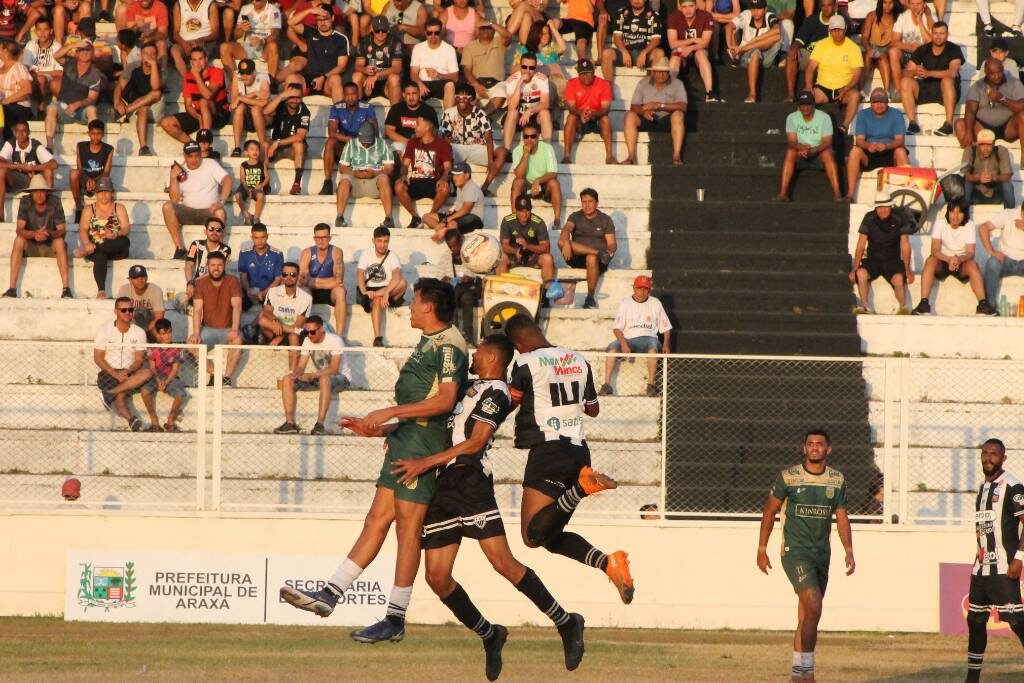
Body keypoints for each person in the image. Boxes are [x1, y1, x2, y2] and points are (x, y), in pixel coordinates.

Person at [279, 279, 468, 646]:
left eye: (415, 301)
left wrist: (391, 412)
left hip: (423, 445)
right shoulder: (431, 341)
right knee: (376, 519)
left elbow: (445, 401)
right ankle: (330, 594)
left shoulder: (449, 346)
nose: (410, 307)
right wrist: (385, 429)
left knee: (407, 530)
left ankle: (395, 616)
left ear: (429, 307)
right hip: (407, 439)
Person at [389, 334, 586, 680]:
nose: (474, 355)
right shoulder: (466, 387)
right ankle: (490, 634)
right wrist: (383, 428)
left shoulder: (496, 392)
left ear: (493, 358)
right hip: (442, 485)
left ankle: (566, 622)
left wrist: (424, 463)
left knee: (503, 564)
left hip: (470, 482)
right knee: (436, 577)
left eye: (479, 351)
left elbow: (476, 441)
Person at [502, 313, 635, 604]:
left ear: (520, 343)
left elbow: (508, 402)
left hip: (548, 450)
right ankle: (608, 563)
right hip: (577, 451)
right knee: (550, 535)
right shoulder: (577, 359)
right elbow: (593, 409)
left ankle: (581, 489)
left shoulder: (525, 363)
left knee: (532, 535)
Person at [757, 430, 854, 683]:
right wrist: (761, 549)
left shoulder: (837, 479)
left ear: (828, 449)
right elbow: (769, 512)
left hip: (822, 554)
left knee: (807, 615)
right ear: (804, 448)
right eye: (810, 444)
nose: (814, 448)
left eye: (819, 444)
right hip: (795, 552)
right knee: (813, 604)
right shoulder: (788, 477)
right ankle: (807, 673)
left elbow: (842, 516)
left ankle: (796, 676)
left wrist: (849, 550)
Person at [962, 438, 1024, 683]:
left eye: (994, 454)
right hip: (981, 568)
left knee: (1017, 621)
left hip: (1003, 567)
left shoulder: (1013, 486)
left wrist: (1019, 558)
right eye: (985, 453)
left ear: (1003, 458)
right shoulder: (983, 487)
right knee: (976, 621)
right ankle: (972, 679)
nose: (988, 458)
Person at [911, 201, 996, 316]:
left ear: (964, 214)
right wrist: (949, 259)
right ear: (948, 212)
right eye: (952, 212)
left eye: (959, 212)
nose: (955, 216)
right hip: (943, 260)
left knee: (973, 264)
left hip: (961, 261)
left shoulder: (969, 224)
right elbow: (935, 250)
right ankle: (924, 304)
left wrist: (958, 259)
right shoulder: (940, 223)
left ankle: (982, 305)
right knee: (930, 260)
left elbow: (970, 253)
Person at [274, 314, 352, 435]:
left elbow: (334, 369)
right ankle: (290, 423)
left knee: (325, 379)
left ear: (321, 329)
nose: (309, 335)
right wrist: (296, 374)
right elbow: (301, 366)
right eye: (307, 332)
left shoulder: (335, 340)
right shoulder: (307, 340)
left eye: (312, 332)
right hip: (320, 378)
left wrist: (311, 375)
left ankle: (320, 425)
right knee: (287, 379)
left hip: (341, 378)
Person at [598, 275, 671, 396]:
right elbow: (617, 328)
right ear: (634, 288)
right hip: (628, 339)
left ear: (649, 290)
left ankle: (651, 385)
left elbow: (666, 328)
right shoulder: (625, 302)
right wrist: (624, 344)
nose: (642, 292)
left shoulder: (655, 302)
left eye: (645, 289)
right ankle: (607, 385)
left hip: (649, 338)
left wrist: (666, 344)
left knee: (653, 348)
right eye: (639, 288)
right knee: (611, 349)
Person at [2, 175, 69, 299]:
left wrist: (48, 232)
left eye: (42, 191)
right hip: (31, 244)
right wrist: (34, 234)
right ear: (31, 193)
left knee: (60, 242)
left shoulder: (55, 202)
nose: (39, 195)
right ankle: (12, 288)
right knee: (18, 240)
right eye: (36, 191)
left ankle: (66, 288)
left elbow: (62, 231)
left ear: (47, 192)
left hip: (50, 244)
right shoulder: (25, 201)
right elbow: (19, 229)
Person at [162, 141, 231, 260]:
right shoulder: (179, 169)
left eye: (197, 155)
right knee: (167, 206)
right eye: (190, 156)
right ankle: (180, 248)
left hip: (209, 212)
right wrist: (173, 178)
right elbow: (174, 199)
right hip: (188, 211)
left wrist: (221, 201)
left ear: (200, 154)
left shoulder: (210, 163)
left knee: (220, 212)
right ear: (184, 156)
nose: (194, 159)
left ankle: (217, 250)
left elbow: (227, 180)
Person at [93, 296, 152, 431]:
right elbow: (98, 358)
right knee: (121, 396)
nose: (128, 313)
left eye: (130, 310)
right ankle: (131, 419)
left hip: (129, 372)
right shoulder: (104, 329)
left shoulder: (139, 332)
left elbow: (138, 359)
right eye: (123, 310)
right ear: (116, 311)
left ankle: (110, 394)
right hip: (109, 373)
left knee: (147, 372)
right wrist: (115, 374)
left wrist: (127, 371)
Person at [849, 192, 913, 314]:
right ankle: (865, 306)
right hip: (873, 259)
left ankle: (903, 307)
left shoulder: (899, 218)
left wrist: (907, 269)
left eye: (885, 206)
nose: (882, 210)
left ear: (891, 207)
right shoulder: (869, 217)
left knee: (899, 279)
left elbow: (905, 245)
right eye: (879, 207)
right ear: (875, 208)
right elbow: (861, 244)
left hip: (892, 260)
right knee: (861, 273)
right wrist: (854, 268)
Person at [187, 251, 244, 386]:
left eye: (219, 265)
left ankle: (227, 378)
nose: (216, 268)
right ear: (207, 266)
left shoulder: (232, 281)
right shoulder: (200, 283)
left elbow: (237, 307)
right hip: (208, 329)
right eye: (213, 265)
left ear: (224, 265)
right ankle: (216, 374)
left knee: (238, 340)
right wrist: (196, 332)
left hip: (228, 328)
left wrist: (235, 329)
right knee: (191, 345)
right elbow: (197, 309)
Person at [441, 81, 506, 195]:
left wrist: (490, 161)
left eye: (466, 97)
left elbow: (488, 136)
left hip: (478, 147)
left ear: (472, 99)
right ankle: (452, 187)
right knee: (444, 149)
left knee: (502, 152)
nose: (462, 100)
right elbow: (443, 135)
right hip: (457, 147)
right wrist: (448, 144)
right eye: (458, 97)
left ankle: (485, 187)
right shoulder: (448, 113)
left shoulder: (480, 113)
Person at [776, 90, 841, 202]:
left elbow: (827, 142)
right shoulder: (792, 117)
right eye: (802, 105)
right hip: (800, 152)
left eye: (808, 105)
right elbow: (791, 141)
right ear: (798, 106)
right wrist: (800, 147)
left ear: (813, 104)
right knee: (790, 152)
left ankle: (837, 193)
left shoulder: (824, 117)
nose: (805, 108)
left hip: (818, 152)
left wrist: (813, 149)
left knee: (827, 153)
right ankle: (783, 193)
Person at [845, 89, 909, 200]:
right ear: (871, 103)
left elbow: (900, 140)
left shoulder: (896, 114)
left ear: (887, 103)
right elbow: (859, 140)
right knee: (855, 151)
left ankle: (904, 194)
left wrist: (886, 146)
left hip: (890, 151)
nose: (879, 105)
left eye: (882, 102)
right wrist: (868, 146)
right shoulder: (863, 114)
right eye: (875, 102)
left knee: (901, 151)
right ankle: (850, 194)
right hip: (870, 152)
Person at [899, 21, 961, 136]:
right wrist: (915, 71)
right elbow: (905, 73)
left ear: (947, 34)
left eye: (942, 33)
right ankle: (913, 124)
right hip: (926, 88)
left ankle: (948, 124)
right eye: (935, 33)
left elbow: (952, 73)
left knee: (947, 80)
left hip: (946, 91)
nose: (938, 36)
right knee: (905, 81)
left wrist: (928, 73)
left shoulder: (954, 49)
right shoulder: (922, 49)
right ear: (931, 34)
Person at [558, 188, 616, 309]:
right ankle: (597, 252)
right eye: (584, 202)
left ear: (597, 203)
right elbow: (567, 229)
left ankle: (590, 298)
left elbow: (612, 243)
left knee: (591, 257)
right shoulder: (575, 216)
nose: (587, 205)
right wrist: (566, 241)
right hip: (576, 257)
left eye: (590, 201)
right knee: (561, 242)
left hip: (599, 261)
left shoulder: (605, 219)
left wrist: (610, 251)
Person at [622, 57, 687, 165]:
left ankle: (676, 156)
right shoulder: (643, 83)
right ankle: (630, 156)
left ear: (668, 72)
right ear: (652, 72)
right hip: (647, 117)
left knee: (678, 114)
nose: (661, 75)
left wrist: (660, 105)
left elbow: (683, 106)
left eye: (664, 72)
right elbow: (634, 106)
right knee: (629, 116)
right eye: (658, 71)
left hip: (668, 118)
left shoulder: (677, 83)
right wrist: (643, 112)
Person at [956, 59, 1024, 161]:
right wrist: (969, 131)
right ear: (986, 73)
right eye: (992, 74)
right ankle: (975, 161)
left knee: (1023, 115)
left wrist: (1002, 99)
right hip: (982, 128)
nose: (997, 76)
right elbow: (970, 110)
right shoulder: (977, 86)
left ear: (1003, 69)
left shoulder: (1014, 83)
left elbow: (1021, 106)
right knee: (959, 124)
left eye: (999, 72)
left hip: (1008, 127)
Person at [73, 178, 130, 299]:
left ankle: (91, 250)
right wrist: (87, 243)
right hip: (94, 247)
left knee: (125, 241)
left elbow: (126, 228)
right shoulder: (89, 209)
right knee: (100, 256)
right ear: (96, 193)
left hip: (114, 247)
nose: (103, 195)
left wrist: (116, 234)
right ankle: (101, 290)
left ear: (112, 193)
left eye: (106, 191)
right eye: (100, 192)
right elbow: (83, 229)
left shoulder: (118, 207)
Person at [159, 46, 229, 142]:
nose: (198, 63)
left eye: (200, 59)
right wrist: (199, 117)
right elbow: (188, 105)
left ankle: (205, 140)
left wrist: (196, 76)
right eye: (195, 60)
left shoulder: (217, 72)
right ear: (191, 62)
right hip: (198, 114)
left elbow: (208, 96)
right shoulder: (188, 77)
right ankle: (193, 145)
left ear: (206, 59)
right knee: (166, 122)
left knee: (203, 101)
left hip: (218, 114)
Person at [805, 16, 861, 134]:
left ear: (845, 29)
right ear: (829, 31)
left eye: (839, 29)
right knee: (805, 97)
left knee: (855, 95)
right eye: (834, 30)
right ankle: (806, 127)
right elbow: (810, 67)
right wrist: (808, 86)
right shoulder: (821, 45)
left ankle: (844, 126)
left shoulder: (854, 48)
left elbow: (857, 75)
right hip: (823, 88)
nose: (837, 33)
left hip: (844, 88)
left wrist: (846, 89)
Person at [335, 120, 396, 229]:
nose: (366, 144)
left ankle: (389, 218)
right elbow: (342, 167)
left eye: (369, 142)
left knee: (384, 179)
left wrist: (375, 173)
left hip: (375, 180)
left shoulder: (383, 144)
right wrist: (354, 173)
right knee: (344, 181)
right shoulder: (351, 144)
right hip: (355, 180)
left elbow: (389, 168)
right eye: (363, 142)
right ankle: (339, 217)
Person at [395, 114, 452, 229]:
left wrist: (444, 177)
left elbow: (448, 168)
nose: (415, 127)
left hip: (434, 181)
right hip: (416, 181)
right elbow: (405, 165)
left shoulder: (443, 144)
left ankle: (430, 216)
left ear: (427, 127)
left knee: (445, 189)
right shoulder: (412, 143)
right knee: (398, 186)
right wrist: (403, 174)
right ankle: (415, 218)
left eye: (418, 124)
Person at [45, 40, 104, 150]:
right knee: (52, 107)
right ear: (77, 52)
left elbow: (92, 99)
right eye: (81, 49)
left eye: (88, 50)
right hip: (63, 108)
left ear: (92, 53)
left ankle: (94, 146)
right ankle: (49, 146)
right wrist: (74, 45)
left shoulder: (95, 74)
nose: (84, 52)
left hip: (81, 112)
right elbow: (55, 56)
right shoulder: (69, 63)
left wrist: (78, 104)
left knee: (92, 109)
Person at [281, 6, 349, 100]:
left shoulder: (341, 39)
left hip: (327, 81)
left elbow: (341, 67)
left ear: (332, 18)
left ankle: (340, 114)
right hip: (308, 80)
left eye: (325, 19)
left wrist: (323, 77)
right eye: (319, 20)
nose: (322, 22)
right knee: (291, 78)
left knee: (336, 79)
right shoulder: (311, 32)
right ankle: (288, 113)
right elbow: (290, 23)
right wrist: (309, 10)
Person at [322, 80, 377, 195]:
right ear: (343, 95)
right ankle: (327, 182)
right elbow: (332, 132)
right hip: (344, 144)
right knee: (330, 142)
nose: (350, 98)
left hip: (362, 146)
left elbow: (374, 132)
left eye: (353, 95)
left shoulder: (367, 107)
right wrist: (351, 140)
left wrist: (360, 142)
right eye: (347, 95)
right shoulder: (337, 107)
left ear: (358, 95)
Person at [497, 195, 557, 297]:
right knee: (502, 258)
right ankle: (505, 292)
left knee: (548, 258)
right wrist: (515, 251)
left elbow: (546, 248)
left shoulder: (538, 222)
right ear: (516, 210)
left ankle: (545, 295)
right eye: (521, 211)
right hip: (514, 256)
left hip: (533, 256)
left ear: (531, 209)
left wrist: (527, 246)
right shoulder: (508, 221)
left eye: (527, 211)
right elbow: (504, 246)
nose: (524, 214)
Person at [357, 225, 407, 347]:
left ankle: (377, 296)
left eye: (386, 241)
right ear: (373, 241)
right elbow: (359, 274)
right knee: (378, 300)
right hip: (369, 290)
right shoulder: (366, 254)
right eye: (379, 241)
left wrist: (387, 292)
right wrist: (364, 292)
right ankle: (378, 337)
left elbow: (397, 276)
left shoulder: (392, 255)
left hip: (388, 289)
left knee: (403, 283)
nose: (382, 245)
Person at [298, 222, 348, 338]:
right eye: (318, 238)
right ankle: (301, 332)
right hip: (312, 292)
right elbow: (302, 281)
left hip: (330, 293)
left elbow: (339, 280)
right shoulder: (307, 253)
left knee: (340, 291)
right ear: (314, 238)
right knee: (303, 290)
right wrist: (328, 282)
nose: (321, 241)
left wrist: (313, 281)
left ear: (329, 238)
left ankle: (339, 336)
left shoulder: (336, 252)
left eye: (324, 237)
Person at [113, 41, 163, 156]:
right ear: (141, 55)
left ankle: (126, 110)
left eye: (153, 54)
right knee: (143, 108)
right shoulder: (132, 67)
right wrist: (117, 104)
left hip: (155, 109)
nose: (149, 56)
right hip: (138, 110)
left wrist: (154, 65)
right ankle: (144, 147)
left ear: (157, 56)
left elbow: (156, 87)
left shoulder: (161, 69)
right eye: (146, 53)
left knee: (156, 93)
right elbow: (119, 86)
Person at [509, 120, 562, 228]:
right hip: (526, 186)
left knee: (554, 183)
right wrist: (526, 153)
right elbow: (519, 175)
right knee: (517, 182)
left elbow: (553, 173)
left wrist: (538, 181)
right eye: (526, 136)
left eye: (533, 136)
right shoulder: (517, 151)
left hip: (543, 185)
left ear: (538, 136)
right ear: (523, 137)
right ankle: (514, 219)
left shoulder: (547, 148)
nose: (529, 139)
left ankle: (557, 220)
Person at [562, 58, 615, 164]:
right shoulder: (571, 83)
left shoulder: (604, 84)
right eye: (582, 74)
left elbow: (606, 109)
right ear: (578, 74)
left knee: (606, 119)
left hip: (597, 117)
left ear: (593, 72)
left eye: (588, 73)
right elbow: (571, 107)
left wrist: (593, 114)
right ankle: (567, 156)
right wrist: (581, 113)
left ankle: (609, 156)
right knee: (571, 117)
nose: (585, 76)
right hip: (579, 118)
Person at [0, 120, 55, 222]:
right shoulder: (11, 143)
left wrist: (32, 168)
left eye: (24, 131)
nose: (20, 134)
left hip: (33, 180)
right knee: (1, 171)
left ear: (29, 132)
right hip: (14, 180)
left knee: (48, 171)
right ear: (14, 132)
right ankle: (0, 215)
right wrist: (19, 166)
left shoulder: (35, 144)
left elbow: (53, 164)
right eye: (18, 131)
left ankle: (49, 211)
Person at [726, 0, 780, 103]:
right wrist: (730, 46)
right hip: (748, 57)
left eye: (759, 8)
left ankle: (747, 48)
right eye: (753, 8)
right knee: (755, 52)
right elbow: (729, 26)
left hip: (766, 56)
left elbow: (777, 30)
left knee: (777, 37)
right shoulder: (746, 14)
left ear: (765, 9)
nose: (756, 12)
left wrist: (754, 41)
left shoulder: (770, 16)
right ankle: (752, 94)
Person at [139, 318, 188, 433]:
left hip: (170, 378)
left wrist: (166, 382)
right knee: (144, 391)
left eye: (169, 332)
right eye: (163, 333)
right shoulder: (153, 348)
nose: (167, 336)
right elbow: (151, 367)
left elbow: (175, 369)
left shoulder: (177, 349)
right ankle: (154, 420)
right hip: (154, 377)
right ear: (158, 334)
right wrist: (157, 380)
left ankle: (170, 420)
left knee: (181, 394)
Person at [264, 80, 311, 195]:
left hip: (292, 149)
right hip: (276, 148)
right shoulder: (281, 104)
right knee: (264, 145)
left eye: (298, 97)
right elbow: (266, 112)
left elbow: (300, 136)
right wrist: (281, 96)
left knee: (299, 145)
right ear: (287, 96)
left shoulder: (304, 111)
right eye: (292, 97)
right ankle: (265, 183)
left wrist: (278, 142)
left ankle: (296, 183)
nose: (295, 100)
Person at [601, 0, 662, 85]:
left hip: (644, 53)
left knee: (659, 53)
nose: (637, 1)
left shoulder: (654, 15)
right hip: (626, 53)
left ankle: (650, 90)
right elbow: (617, 38)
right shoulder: (621, 13)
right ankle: (607, 92)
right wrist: (624, 51)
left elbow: (656, 40)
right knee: (606, 53)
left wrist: (644, 52)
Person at [502, 51, 552, 150]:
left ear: (536, 68)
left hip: (534, 116)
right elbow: (511, 106)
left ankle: (548, 150)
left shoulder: (542, 79)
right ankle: (507, 150)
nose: (527, 71)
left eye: (531, 68)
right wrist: (519, 84)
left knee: (545, 113)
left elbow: (545, 103)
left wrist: (530, 111)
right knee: (512, 113)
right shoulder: (512, 80)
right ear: (520, 66)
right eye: (524, 67)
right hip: (518, 117)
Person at [667, 0, 715, 101]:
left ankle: (709, 93)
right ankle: (668, 93)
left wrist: (691, 48)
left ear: (696, 6)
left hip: (698, 50)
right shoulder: (674, 17)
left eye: (691, 6)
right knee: (675, 55)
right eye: (684, 7)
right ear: (680, 7)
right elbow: (672, 44)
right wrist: (693, 40)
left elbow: (705, 42)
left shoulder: (706, 16)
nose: (688, 10)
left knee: (700, 54)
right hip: (682, 50)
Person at [978, 202, 1024, 307]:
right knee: (992, 262)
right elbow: (983, 228)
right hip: (1005, 260)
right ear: (1021, 211)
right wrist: (991, 251)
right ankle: (990, 305)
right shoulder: (1009, 214)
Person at [423, 161, 483, 242]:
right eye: (454, 174)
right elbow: (459, 203)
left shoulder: (471, 188)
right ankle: (442, 229)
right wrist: (451, 210)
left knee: (452, 224)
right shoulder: (459, 186)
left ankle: (456, 249)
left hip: (474, 218)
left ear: (467, 175)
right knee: (426, 217)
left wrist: (446, 220)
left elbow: (465, 210)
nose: (454, 178)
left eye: (458, 175)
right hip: (459, 215)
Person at [260, 260, 312, 352]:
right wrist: (274, 320)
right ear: (281, 276)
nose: (288, 277)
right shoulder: (272, 291)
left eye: (292, 274)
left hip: (292, 331)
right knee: (262, 320)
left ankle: (295, 366)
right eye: (285, 274)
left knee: (294, 336)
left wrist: (280, 338)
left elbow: (298, 325)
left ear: (298, 276)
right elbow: (267, 311)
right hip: (276, 330)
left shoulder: (306, 298)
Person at [219, 0, 281, 77]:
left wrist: (263, 41)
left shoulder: (274, 10)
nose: (254, 2)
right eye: (252, 0)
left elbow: (276, 34)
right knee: (224, 47)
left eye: (257, 0)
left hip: (264, 47)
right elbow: (235, 35)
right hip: (246, 46)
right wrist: (242, 29)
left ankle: (271, 82)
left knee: (273, 46)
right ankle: (235, 82)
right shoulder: (245, 9)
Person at [460, 20, 512, 112]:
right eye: (483, 28)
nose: (486, 30)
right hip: (477, 83)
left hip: (497, 84)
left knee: (501, 93)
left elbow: (508, 35)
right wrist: (476, 85)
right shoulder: (469, 47)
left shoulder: (499, 42)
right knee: (466, 98)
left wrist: (491, 23)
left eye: (489, 28)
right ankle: (471, 119)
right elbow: (467, 70)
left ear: (494, 30)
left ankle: (483, 118)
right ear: (478, 30)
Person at [442, 228, 483, 343]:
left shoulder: (473, 255)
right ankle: (462, 333)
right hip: (453, 296)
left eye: (456, 246)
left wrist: (471, 279)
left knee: (466, 296)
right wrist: (445, 280)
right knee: (454, 290)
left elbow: (481, 279)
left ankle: (462, 333)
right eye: (450, 247)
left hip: (470, 292)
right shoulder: (445, 258)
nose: (453, 249)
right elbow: (439, 281)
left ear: (461, 242)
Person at [352, 15, 403, 105]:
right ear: (372, 29)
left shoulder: (395, 42)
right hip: (368, 82)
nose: (380, 33)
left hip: (387, 82)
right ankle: (357, 113)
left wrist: (377, 75)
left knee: (395, 78)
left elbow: (397, 68)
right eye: (377, 30)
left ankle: (395, 115)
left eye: (384, 30)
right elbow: (357, 65)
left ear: (388, 29)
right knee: (357, 76)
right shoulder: (364, 41)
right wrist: (364, 69)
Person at [70, 118, 113, 220]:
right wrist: (87, 180)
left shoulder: (109, 149)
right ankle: (79, 206)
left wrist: (95, 181)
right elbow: (80, 168)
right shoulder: (81, 146)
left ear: (103, 134)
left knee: (107, 180)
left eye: (98, 134)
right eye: (93, 133)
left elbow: (106, 171)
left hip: (99, 180)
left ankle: (106, 212)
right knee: (73, 174)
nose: (95, 136)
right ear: (88, 133)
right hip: (84, 179)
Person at [411, 16, 458, 108]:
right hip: (423, 83)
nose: (432, 35)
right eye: (429, 33)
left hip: (442, 83)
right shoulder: (418, 48)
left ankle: (447, 119)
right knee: (413, 90)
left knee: (450, 85)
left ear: (441, 33)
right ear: (425, 33)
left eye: (436, 33)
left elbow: (455, 77)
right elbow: (413, 73)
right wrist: (419, 83)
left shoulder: (449, 49)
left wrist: (439, 75)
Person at [184, 216, 232, 305]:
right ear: (205, 231)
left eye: (218, 230)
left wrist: (194, 282)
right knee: (181, 300)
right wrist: (190, 283)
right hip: (196, 285)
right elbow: (189, 265)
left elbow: (214, 272)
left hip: (215, 285)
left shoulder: (225, 249)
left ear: (222, 233)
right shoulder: (196, 244)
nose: (214, 232)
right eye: (211, 229)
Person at [228, 59, 271, 156]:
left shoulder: (263, 77)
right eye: (242, 74)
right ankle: (237, 147)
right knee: (240, 108)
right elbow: (234, 102)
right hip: (247, 117)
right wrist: (254, 95)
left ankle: (262, 145)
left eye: (248, 74)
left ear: (254, 72)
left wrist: (241, 98)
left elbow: (263, 103)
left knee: (256, 109)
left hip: (263, 117)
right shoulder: (237, 77)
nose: (244, 77)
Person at [887, 0, 932, 91]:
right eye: (913, 4)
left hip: (923, 55)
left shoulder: (929, 17)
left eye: (919, 4)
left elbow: (931, 41)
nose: (915, 7)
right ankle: (899, 89)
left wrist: (920, 22)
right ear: (909, 4)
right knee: (893, 52)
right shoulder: (903, 17)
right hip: (906, 54)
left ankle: (908, 85)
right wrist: (909, 46)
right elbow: (894, 42)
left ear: (924, 4)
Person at [238, 222, 283, 311]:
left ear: (267, 236)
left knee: (271, 308)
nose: (260, 241)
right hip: (250, 290)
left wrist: (264, 293)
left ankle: (257, 324)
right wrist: (248, 291)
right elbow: (243, 275)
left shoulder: (277, 254)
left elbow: (278, 279)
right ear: (252, 238)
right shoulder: (244, 253)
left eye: (263, 237)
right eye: (256, 238)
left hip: (269, 290)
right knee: (237, 303)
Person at [384, 81, 439, 153]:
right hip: (401, 143)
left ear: (419, 94)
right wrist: (408, 142)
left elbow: (434, 132)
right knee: (397, 147)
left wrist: (419, 142)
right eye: (408, 94)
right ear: (403, 95)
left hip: (422, 144)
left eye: (414, 93)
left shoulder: (428, 110)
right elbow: (388, 131)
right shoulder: (396, 109)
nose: (411, 97)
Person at [169, 0, 219, 77]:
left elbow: (215, 32)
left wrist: (201, 40)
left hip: (205, 41)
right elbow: (175, 33)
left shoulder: (210, 4)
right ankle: (187, 78)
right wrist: (183, 43)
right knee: (174, 50)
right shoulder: (179, 4)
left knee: (197, 51)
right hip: (185, 42)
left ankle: (200, 78)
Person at [857, 0, 896, 97]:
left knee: (883, 58)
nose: (887, 6)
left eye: (890, 3)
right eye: (885, 2)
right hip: (871, 47)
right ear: (880, 3)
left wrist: (885, 52)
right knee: (867, 56)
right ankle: (860, 91)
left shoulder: (897, 18)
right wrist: (868, 48)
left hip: (887, 50)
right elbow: (864, 37)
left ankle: (886, 93)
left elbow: (896, 40)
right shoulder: (872, 16)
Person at [22, 17, 63, 109]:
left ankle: (41, 107)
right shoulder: (31, 44)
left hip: (50, 79)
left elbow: (61, 72)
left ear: (51, 31)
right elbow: (25, 67)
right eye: (39, 30)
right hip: (33, 77)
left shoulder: (57, 47)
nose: (42, 33)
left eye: (46, 29)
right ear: (35, 31)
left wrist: (42, 73)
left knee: (41, 79)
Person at [116, 264, 165, 339]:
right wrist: (134, 329)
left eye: (142, 277)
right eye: (136, 278)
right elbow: (119, 312)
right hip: (131, 324)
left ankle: (159, 350)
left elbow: (159, 316)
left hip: (151, 325)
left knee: (161, 331)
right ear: (130, 280)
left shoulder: (156, 290)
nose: (140, 280)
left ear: (147, 278)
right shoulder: (124, 289)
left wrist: (144, 330)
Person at [0, 39, 32, 137]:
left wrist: (7, 100)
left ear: (5, 51)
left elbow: (27, 89)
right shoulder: (1, 65)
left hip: (17, 106)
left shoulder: (18, 67)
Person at [235, 139, 270, 224]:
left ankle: (256, 218)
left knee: (260, 196)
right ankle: (247, 215)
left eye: (257, 149)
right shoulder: (244, 165)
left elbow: (267, 178)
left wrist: (261, 185)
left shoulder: (262, 164)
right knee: (237, 195)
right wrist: (247, 190)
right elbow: (242, 179)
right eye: (252, 149)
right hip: (246, 186)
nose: (255, 151)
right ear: (246, 152)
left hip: (257, 187)